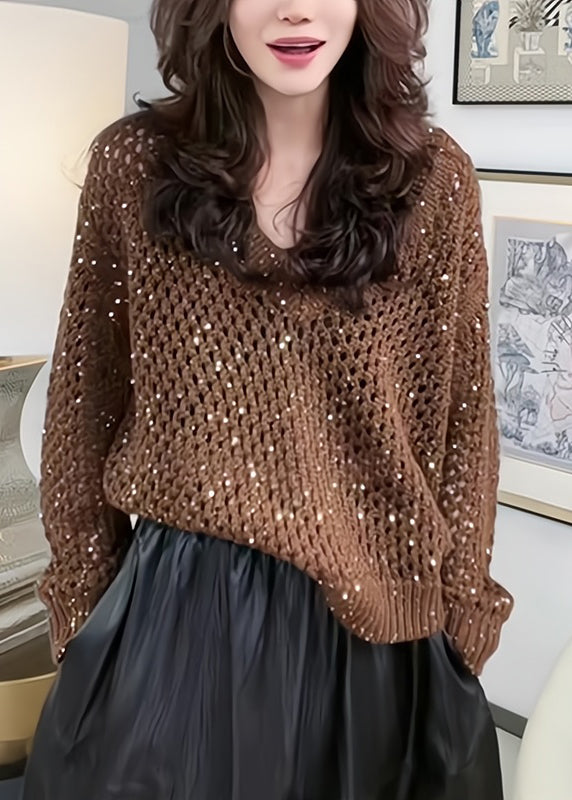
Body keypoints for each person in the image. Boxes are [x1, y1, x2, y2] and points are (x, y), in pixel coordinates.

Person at [22, 0, 514, 798]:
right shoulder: (132, 167)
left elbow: (462, 418)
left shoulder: (434, 181)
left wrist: (463, 619)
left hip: (377, 628)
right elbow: (85, 404)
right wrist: (82, 612)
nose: (295, 10)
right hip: (175, 620)